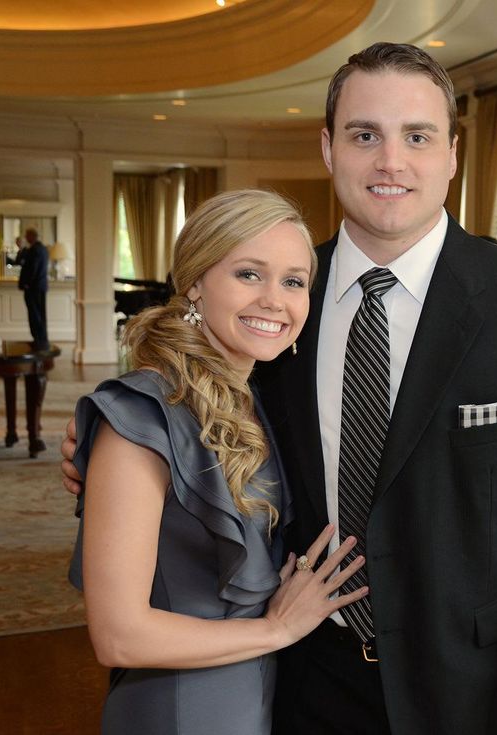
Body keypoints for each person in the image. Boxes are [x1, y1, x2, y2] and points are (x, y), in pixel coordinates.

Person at [65, 44, 497, 735]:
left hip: (477, 695)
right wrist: (102, 446)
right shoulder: (279, 305)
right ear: (328, 148)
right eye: (364, 135)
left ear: (452, 153)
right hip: (299, 686)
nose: (391, 161)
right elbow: (189, 424)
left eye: (417, 136)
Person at [66, 189, 369, 734]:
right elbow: (118, 636)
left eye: (294, 281)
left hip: (255, 695)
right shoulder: (141, 416)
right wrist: (277, 629)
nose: (274, 300)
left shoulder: (254, 399)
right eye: (249, 274)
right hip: (178, 709)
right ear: (195, 283)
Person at [16, 228, 50, 349]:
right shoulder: (42, 249)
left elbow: (32, 269)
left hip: (33, 288)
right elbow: (19, 261)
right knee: (39, 314)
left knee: (35, 315)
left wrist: (27, 284)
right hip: (39, 287)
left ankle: (39, 341)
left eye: (27, 236)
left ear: (32, 236)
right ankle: (40, 340)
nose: (26, 238)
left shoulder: (35, 250)